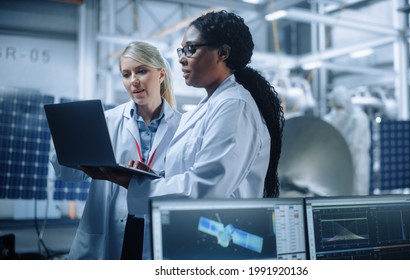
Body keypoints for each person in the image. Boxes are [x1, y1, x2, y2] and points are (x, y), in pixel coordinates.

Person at [102, 10, 284, 215]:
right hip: (197, 230)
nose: (181, 59)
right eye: (182, 51)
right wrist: (154, 178)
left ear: (223, 53)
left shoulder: (235, 106)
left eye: (191, 49)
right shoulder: (208, 107)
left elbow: (207, 187)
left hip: (223, 235)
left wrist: (139, 186)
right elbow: (191, 174)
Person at [50, 41, 181, 259]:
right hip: (109, 228)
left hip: (157, 226)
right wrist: (66, 146)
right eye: (126, 74)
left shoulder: (183, 127)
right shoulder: (105, 122)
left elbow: (186, 185)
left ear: (160, 75)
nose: (134, 81)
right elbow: (69, 174)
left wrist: (155, 178)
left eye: (141, 71)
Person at [323, 86, 371, 195]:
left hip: (357, 162)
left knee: (358, 193)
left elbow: (353, 145)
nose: (337, 111)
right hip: (337, 164)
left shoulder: (359, 119)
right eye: (334, 107)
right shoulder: (331, 118)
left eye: (340, 107)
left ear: (348, 104)